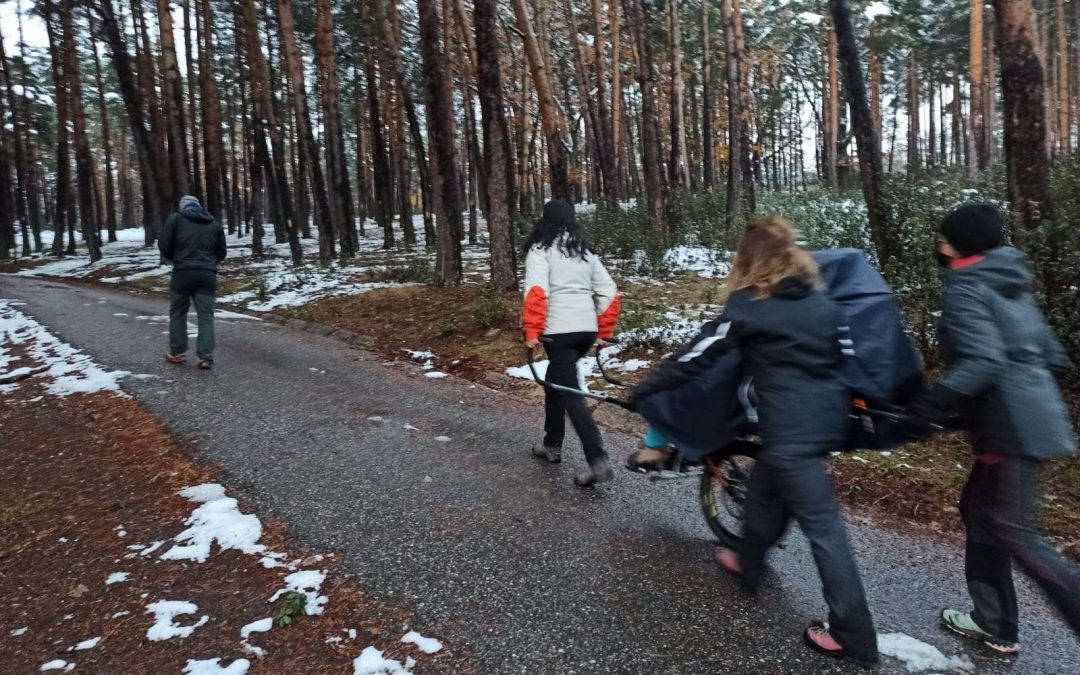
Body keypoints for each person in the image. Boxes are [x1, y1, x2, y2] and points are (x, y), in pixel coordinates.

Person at [632, 216, 879, 666]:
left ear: (750, 260)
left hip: (788, 430)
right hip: (822, 424)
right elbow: (846, 359)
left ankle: (853, 635)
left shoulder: (750, 306)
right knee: (764, 495)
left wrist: (649, 386)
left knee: (824, 531)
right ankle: (749, 561)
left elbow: (700, 353)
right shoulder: (823, 303)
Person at [903, 203, 1079, 654]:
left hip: (1009, 428)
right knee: (981, 514)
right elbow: (1052, 354)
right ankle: (994, 622)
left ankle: (999, 621)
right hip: (1024, 420)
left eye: (944, 239)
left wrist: (932, 402)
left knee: (1016, 532)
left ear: (960, 245)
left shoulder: (967, 287)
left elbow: (983, 361)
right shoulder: (1010, 282)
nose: (938, 246)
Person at [522, 199, 621, 487]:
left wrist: (532, 331)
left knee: (572, 395)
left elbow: (537, 292)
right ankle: (551, 444)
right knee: (556, 381)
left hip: (559, 333)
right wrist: (602, 330)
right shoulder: (584, 252)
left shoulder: (540, 250)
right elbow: (609, 292)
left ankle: (597, 460)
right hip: (584, 332)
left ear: (545, 220)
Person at [159, 195, 227, 370]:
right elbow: (222, 252)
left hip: (182, 273)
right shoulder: (214, 224)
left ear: (183, 207)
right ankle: (205, 357)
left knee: (178, 312)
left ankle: (177, 352)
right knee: (206, 316)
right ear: (199, 206)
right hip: (207, 275)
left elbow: (164, 245)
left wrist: (175, 258)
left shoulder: (176, 219)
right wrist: (209, 262)